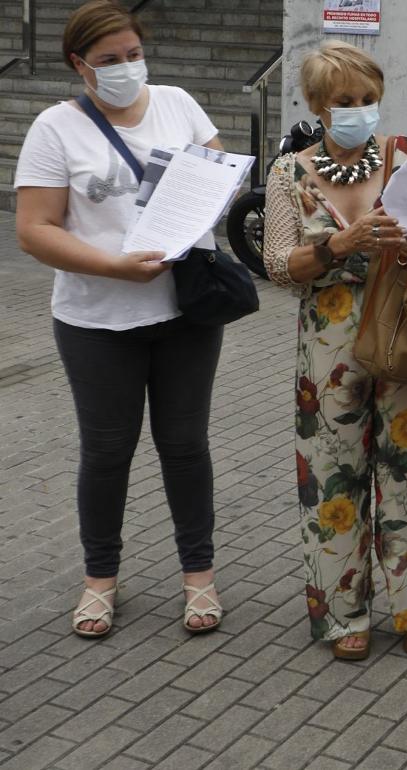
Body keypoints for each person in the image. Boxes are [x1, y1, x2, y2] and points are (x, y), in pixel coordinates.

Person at [14, 0, 228, 639]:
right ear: (80, 65)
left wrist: (205, 199)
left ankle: (200, 580)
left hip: (185, 311)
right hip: (96, 318)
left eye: (133, 54)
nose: (127, 68)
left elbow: (218, 179)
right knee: (107, 450)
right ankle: (100, 582)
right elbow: (33, 230)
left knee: (185, 446)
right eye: (110, 61)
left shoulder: (178, 103)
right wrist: (114, 266)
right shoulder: (55, 129)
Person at [262, 41, 407, 660]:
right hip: (329, 355)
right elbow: (278, 265)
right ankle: (343, 614)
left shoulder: (406, 157)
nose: (359, 110)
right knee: (333, 478)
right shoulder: (289, 173)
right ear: (318, 106)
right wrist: (340, 242)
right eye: (344, 101)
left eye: (368, 99)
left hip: (404, 334)